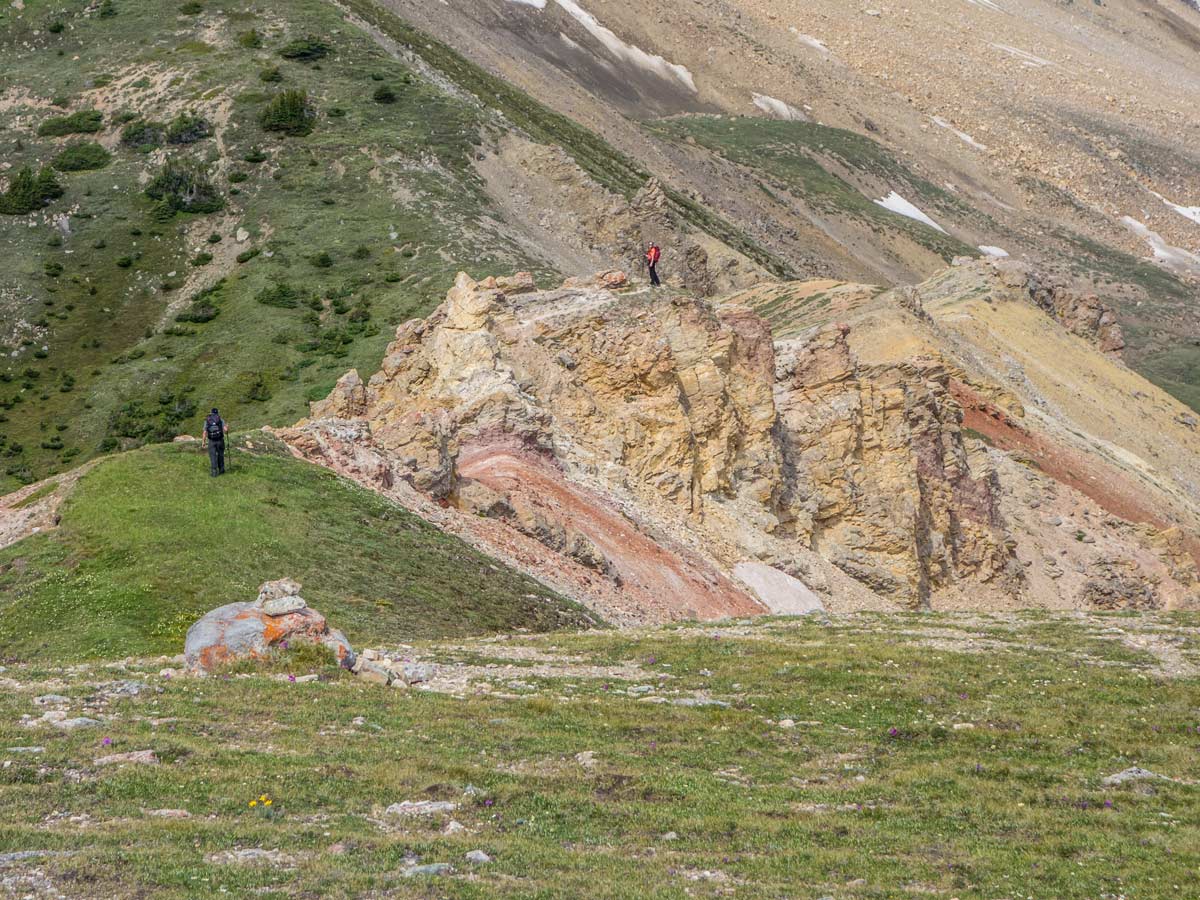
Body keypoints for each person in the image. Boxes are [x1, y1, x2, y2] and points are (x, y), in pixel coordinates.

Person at [201, 408, 228, 477]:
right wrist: (227, 428)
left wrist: (203, 442)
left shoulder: (207, 420)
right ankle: (221, 470)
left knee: (212, 456)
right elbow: (225, 430)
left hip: (211, 441)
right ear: (217, 413)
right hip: (220, 440)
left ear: (211, 412)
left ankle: (214, 472)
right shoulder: (220, 419)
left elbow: (204, 432)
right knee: (220, 455)